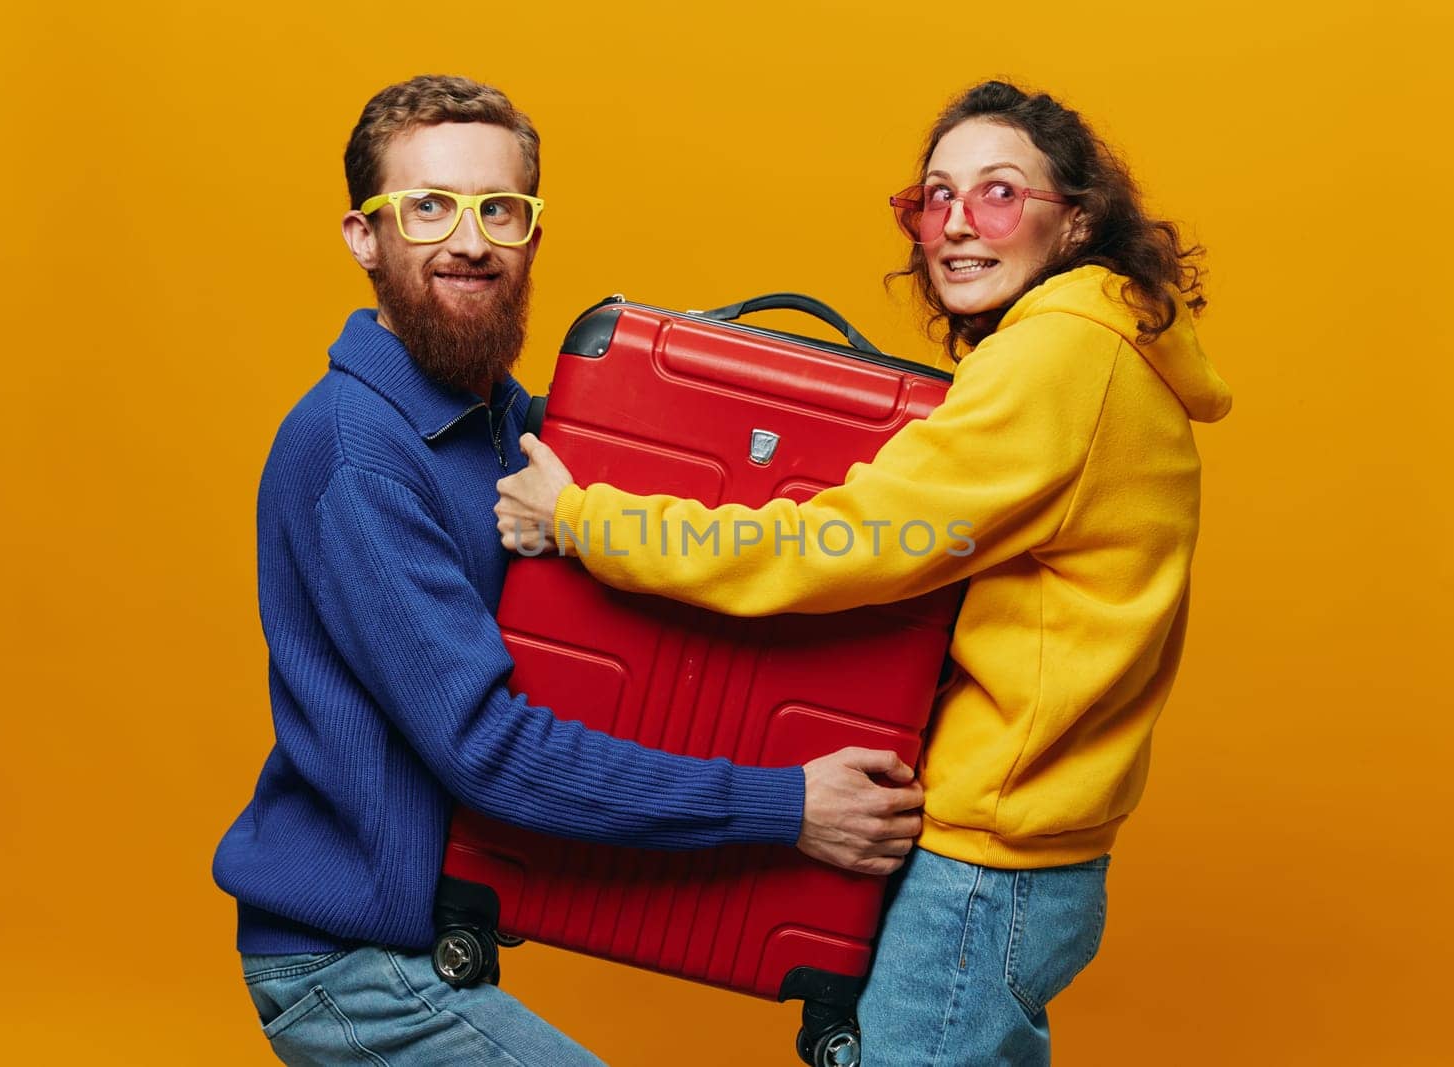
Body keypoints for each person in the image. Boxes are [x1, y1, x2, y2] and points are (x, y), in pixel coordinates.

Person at [494, 79, 1233, 1065]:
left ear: (1079, 220)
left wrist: (585, 518)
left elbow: (831, 545)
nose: (958, 225)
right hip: (1037, 847)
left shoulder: (1058, 358)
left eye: (999, 192)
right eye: (936, 197)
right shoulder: (1103, 345)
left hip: (990, 861)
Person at [211, 74, 924, 1067]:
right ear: (363, 237)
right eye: (428, 208)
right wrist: (787, 804)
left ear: (532, 235)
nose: (470, 240)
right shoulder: (354, 448)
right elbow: (487, 752)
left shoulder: (513, 433)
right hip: (349, 968)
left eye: (499, 209)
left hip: (424, 950)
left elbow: (702, 530)